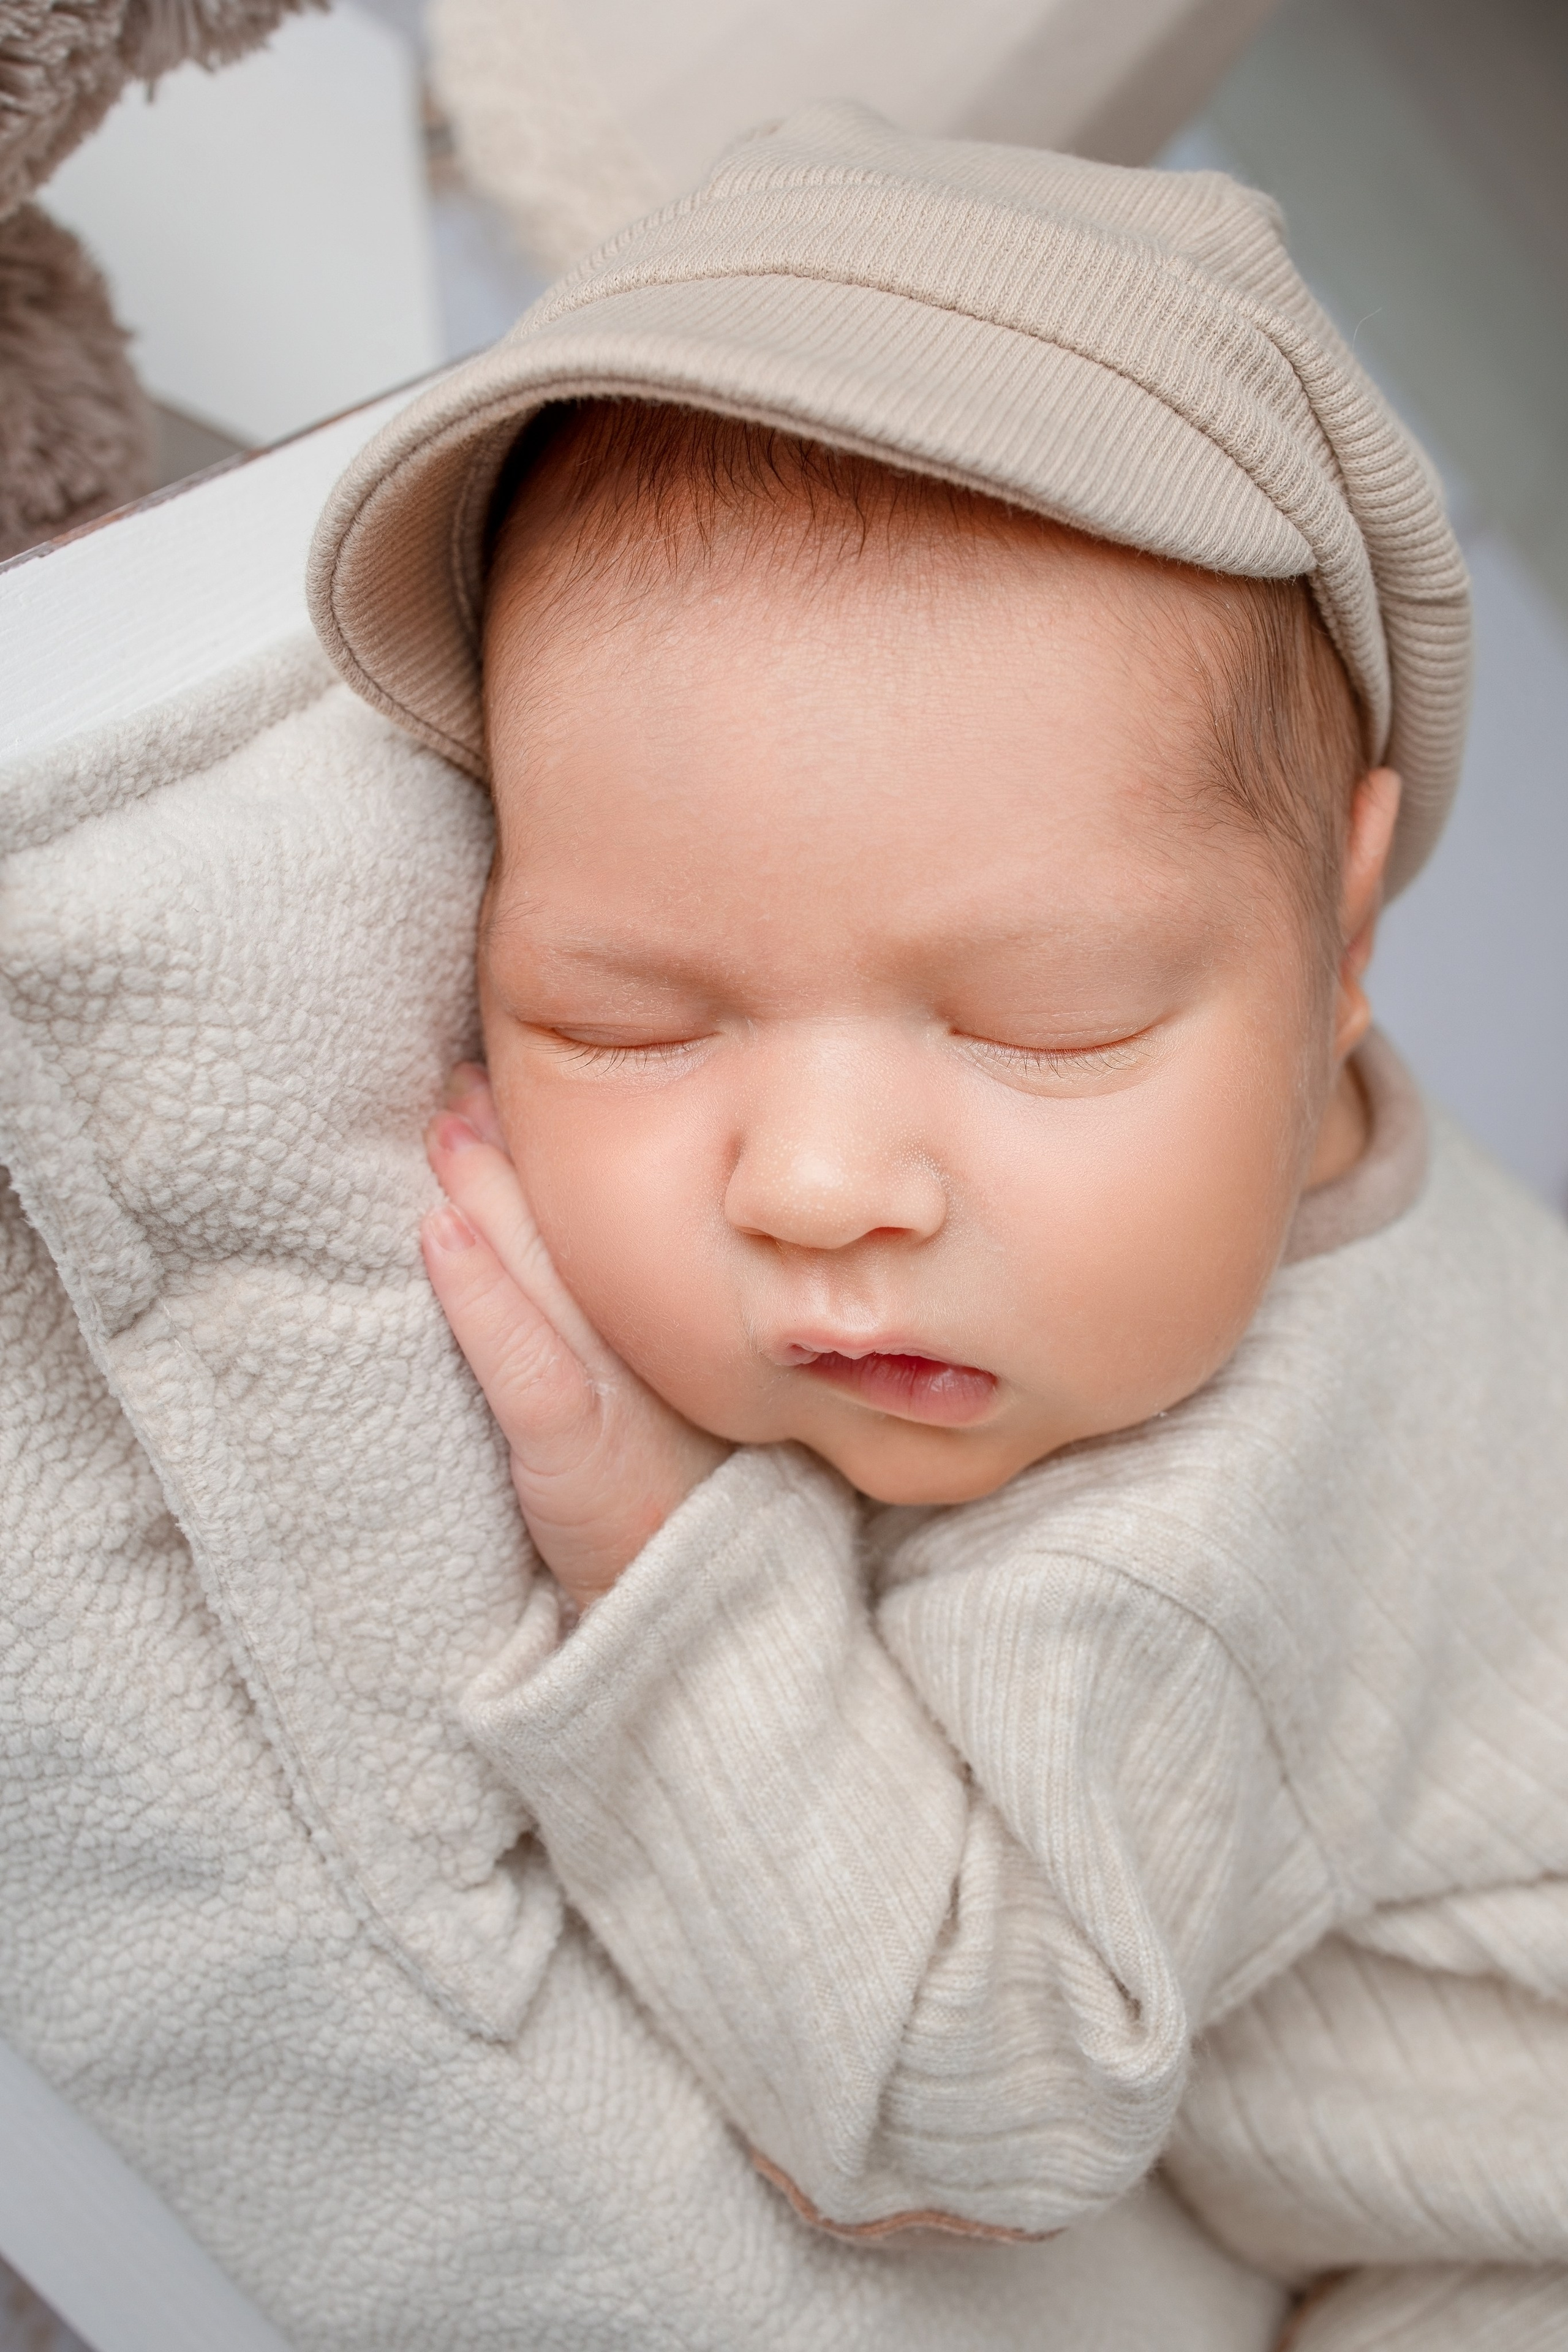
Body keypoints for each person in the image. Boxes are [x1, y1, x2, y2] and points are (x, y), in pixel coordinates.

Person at [309, 102, 1568, 2347]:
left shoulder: (1154, 1582)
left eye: (1053, 1025)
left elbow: (956, 2114)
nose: (816, 1189)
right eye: (619, 1019)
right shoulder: (1236, 1154)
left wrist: (668, 1556)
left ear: (1343, 942)